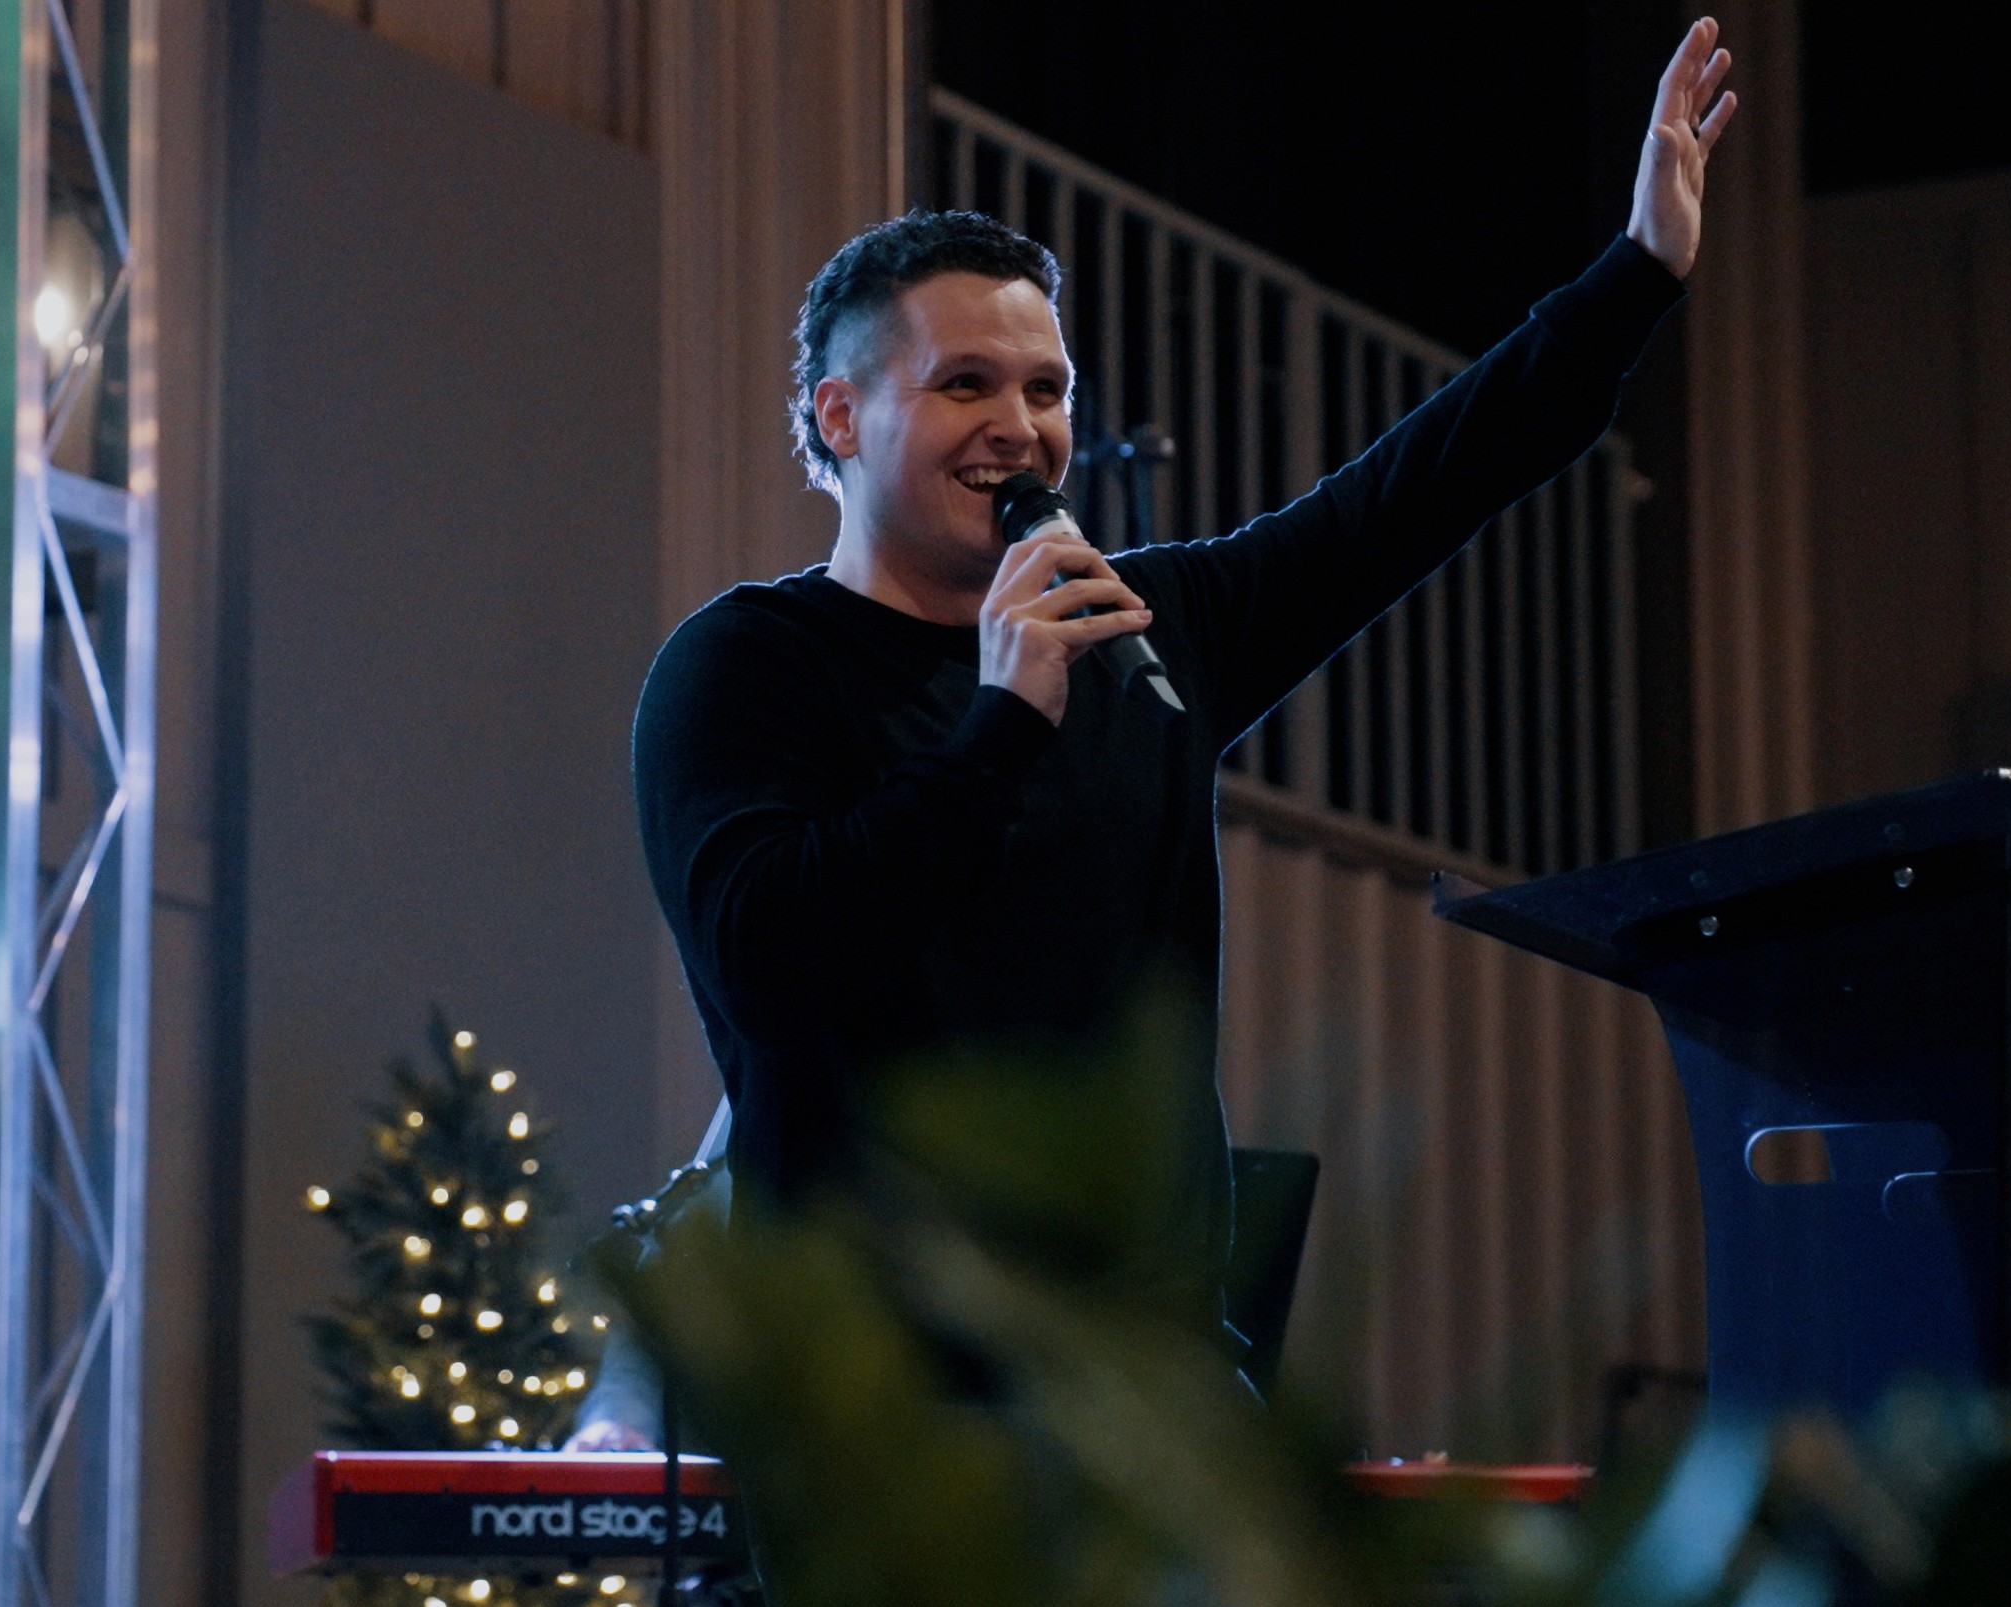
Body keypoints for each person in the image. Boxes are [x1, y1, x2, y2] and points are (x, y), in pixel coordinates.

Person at [570, 19, 1738, 1454]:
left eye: (1046, 389)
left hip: (1145, 1386)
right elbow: (767, 959)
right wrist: (999, 724)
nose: (1020, 427)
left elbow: (1415, 491)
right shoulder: (744, 667)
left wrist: (1639, 273)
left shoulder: (1143, 632)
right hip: (883, 1409)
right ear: (840, 414)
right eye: (965, 385)